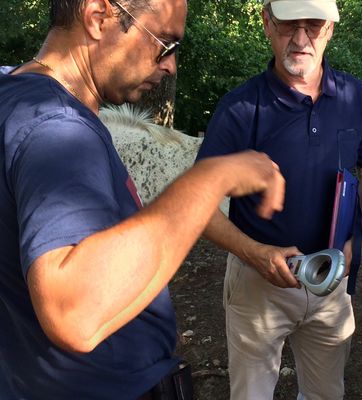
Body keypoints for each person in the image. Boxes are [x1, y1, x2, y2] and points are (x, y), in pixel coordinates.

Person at [0, 0, 286, 399]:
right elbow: (72, 312)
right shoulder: (56, 128)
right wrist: (211, 178)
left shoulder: (15, 94)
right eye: (163, 43)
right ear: (99, 17)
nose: (170, 65)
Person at [196, 0, 362, 398]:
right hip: (258, 285)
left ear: (330, 30)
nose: (301, 39)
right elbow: (200, 205)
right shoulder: (240, 108)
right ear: (267, 23)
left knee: (326, 394)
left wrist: (360, 240)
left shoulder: (354, 96)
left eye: (313, 25)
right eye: (288, 24)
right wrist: (254, 253)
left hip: (331, 281)